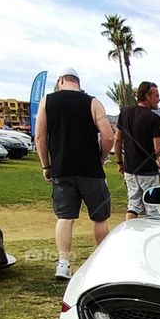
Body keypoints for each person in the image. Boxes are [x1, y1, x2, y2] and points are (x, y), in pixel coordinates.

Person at [35, 68, 114, 281]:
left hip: (61, 169)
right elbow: (108, 137)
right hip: (91, 171)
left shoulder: (47, 102)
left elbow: (40, 136)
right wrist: (101, 158)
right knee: (99, 218)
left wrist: (46, 165)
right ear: (78, 82)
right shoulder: (93, 102)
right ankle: (103, 261)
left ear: (60, 81)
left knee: (65, 217)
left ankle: (63, 264)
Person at [114, 82, 160, 220]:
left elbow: (117, 140)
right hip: (148, 171)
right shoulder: (154, 118)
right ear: (147, 96)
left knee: (133, 206)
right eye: (156, 96)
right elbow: (158, 149)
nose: (158, 99)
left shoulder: (124, 112)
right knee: (153, 208)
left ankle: (130, 234)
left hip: (130, 169)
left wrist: (119, 162)